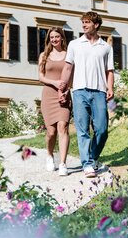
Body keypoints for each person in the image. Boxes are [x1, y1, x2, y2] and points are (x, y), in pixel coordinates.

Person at [59, 12, 114, 178]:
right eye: (83, 22)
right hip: (79, 91)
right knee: (83, 130)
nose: (84, 25)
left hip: (99, 91)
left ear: (96, 25)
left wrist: (110, 87)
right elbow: (68, 67)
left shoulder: (106, 47)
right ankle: (88, 164)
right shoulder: (75, 44)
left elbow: (109, 71)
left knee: (102, 129)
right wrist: (63, 89)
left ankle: (93, 157)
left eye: (87, 22)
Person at [39, 27, 71, 176]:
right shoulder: (44, 55)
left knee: (63, 127)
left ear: (62, 38)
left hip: (64, 95)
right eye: (51, 37)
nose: (54, 39)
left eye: (57, 36)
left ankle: (63, 163)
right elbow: (41, 77)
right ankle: (50, 155)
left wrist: (65, 89)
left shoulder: (69, 55)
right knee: (51, 132)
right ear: (49, 39)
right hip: (49, 94)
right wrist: (55, 83)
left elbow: (71, 76)